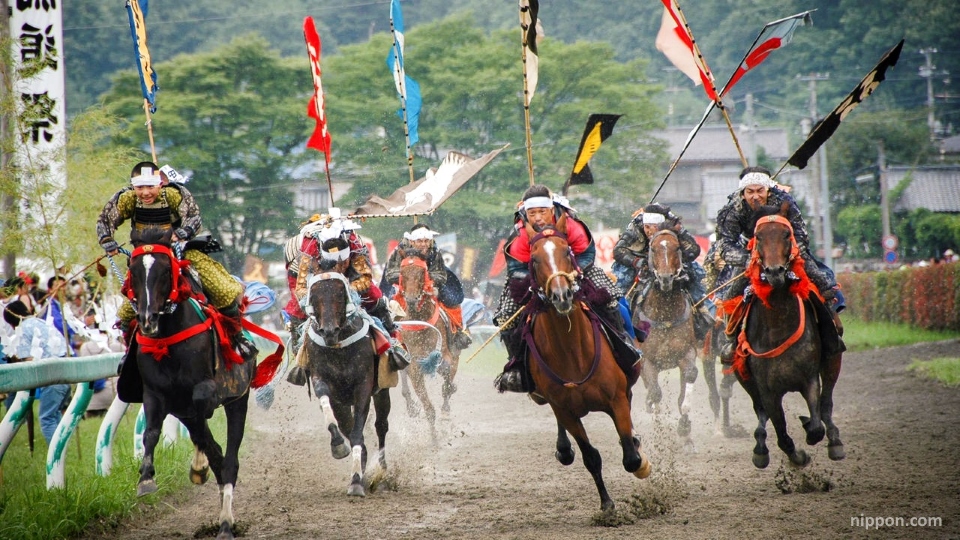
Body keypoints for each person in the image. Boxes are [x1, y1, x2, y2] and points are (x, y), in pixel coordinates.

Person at [96, 161, 257, 367]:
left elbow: (193, 217)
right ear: (133, 186)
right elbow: (104, 221)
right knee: (127, 312)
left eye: (150, 186)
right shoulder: (127, 199)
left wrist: (182, 232)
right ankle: (129, 352)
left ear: (159, 184)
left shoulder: (173, 195)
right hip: (145, 259)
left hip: (180, 253)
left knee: (223, 290)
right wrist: (107, 240)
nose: (145, 192)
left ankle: (238, 338)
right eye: (140, 187)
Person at [492, 184, 638, 393]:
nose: (538, 218)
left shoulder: (570, 224)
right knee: (505, 316)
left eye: (542, 212)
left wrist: (573, 272)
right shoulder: (521, 232)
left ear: (551, 210)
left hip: (575, 270)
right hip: (533, 277)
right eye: (532, 213)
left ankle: (622, 346)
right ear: (526, 213)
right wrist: (538, 280)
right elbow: (516, 267)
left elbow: (586, 253)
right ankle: (516, 366)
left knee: (611, 299)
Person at [712, 166, 845, 362]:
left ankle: (831, 329)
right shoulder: (732, 209)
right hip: (751, 253)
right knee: (731, 295)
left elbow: (800, 234)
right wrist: (748, 259)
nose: (755, 196)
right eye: (750, 191)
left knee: (822, 281)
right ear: (742, 193)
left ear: (768, 190)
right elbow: (724, 245)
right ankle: (730, 341)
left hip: (786, 250)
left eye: (760, 190)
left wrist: (790, 253)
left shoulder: (785, 202)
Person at [612, 202, 714, 339]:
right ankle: (620, 317)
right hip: (640, 262)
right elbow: (618, 250)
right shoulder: (635, 227)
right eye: (646, 227)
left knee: (692, 274)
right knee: (623, 283)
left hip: (670, 261)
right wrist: (638, 262)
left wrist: (674, 259)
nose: (649, 231)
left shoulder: (674, 226)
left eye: (653, 227)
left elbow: (694, 248)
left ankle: (701, 310)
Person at [381, 223, 473, 350]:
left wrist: (428, 280)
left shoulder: (434, 251)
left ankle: (458, 331)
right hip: (403, 284)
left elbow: (440, 273)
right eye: (420, 241)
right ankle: (384, 334)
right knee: (386, 304)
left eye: (426, 241)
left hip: (430, 285)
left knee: (451, 299)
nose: (423, 244)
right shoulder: (399, 252)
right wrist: (407, 278)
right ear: (412, 241)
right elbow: (391, 273)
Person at [3, 298, 70, 444]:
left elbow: (29, 361)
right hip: (67, 371)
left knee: (47, 418)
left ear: (12, 322)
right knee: (55, 414)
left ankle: (56, 452)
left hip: (51, 375)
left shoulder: (22, 330)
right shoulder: (41, 322)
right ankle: (63, 448)